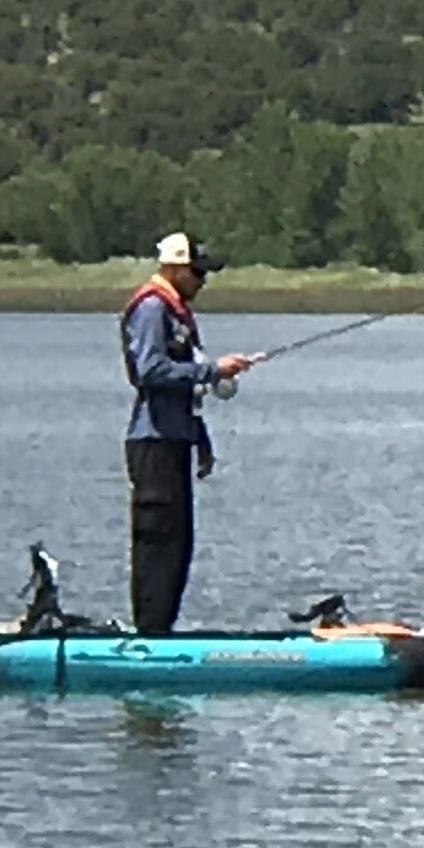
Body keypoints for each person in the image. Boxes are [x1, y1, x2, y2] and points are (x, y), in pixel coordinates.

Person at [121, 231, 255, 636]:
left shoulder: (176, 312)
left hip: (175, 437)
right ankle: (150, 633)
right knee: (157, 540)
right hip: (153, 441)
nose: (202, 281)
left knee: (177, 542)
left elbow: (182, 382)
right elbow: (149, 370)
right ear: (176, 268)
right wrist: (212, 370)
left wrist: (199, 437)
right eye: (197, 272)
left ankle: (162, 629)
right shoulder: (151, 308)